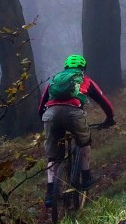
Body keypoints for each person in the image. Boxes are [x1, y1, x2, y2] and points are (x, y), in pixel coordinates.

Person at [38, 54, 115, 207]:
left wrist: (46, 119)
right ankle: (86, 178)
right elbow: (103, 100)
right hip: (73, 114)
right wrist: (110, 118)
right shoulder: (85, 80)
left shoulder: (54, 80)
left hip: (50, 115)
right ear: (83, 68)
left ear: (66, 67)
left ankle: (50, 193)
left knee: (53, 157)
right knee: (85, 142)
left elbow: (41, 106)